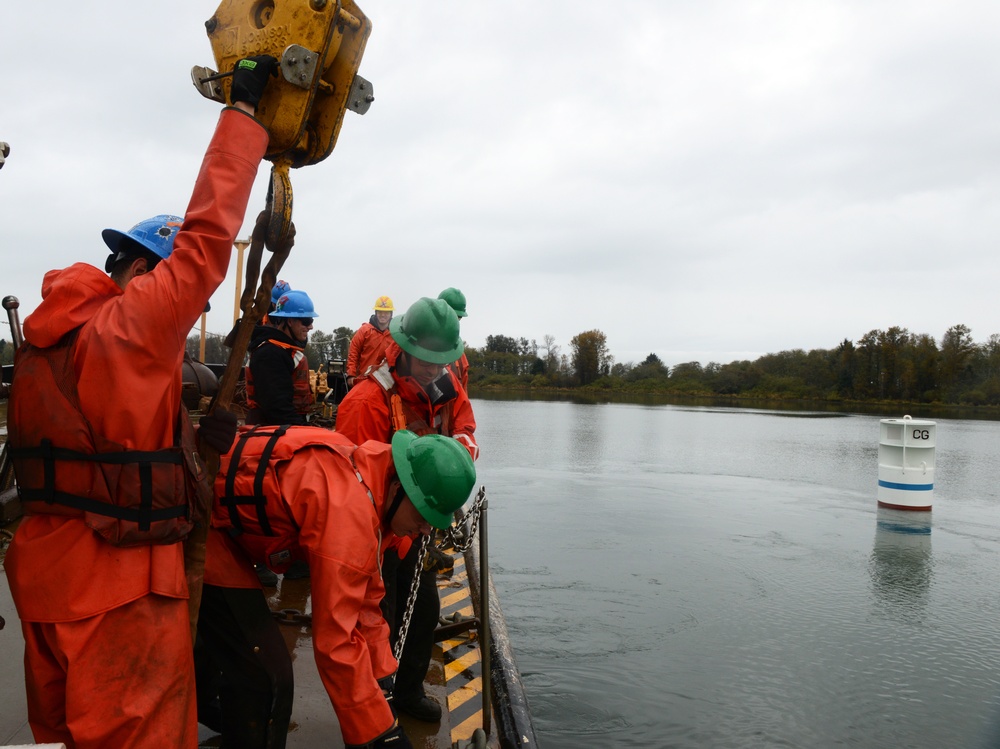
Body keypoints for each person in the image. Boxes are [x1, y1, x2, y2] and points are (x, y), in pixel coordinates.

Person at [3, 54, 279, 748]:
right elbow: (208, 236)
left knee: (65, 738)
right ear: (147, 274)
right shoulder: (133, 325)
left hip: (46, 584)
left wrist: (192, 446)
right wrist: (244, 116)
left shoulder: (47, 341)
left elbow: (103, 447)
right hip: (117, 595)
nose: (191, 313)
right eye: (189, 301)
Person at [204, 426, 477, 748]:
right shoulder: (347, 514)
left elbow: (366, 601)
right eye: (423, 514)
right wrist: (380, 735)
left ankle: (220, 713)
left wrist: (380, 679)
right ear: (398, 487)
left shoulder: (372, 484)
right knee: (266, 673)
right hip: (206, 530)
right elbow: (337, 639)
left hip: (228, 531)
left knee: (230, 656)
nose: (426, 528)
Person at [336, 296, 478, 722]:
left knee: (423, 612)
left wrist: (455, 458)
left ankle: (408, 693)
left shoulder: (447, 390)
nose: (435, 370)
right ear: (405, 350)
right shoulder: (367, 401)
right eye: (426, 361)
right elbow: (353, 482)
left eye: (442, 361)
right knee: (379, 616)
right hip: (377, 531)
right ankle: (373, 705)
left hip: (413, 526)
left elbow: (466, 431)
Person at [245, 288, 318, 426]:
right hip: (271, 429)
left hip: (283, 427)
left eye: (311, 320)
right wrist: (306, 431)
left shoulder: (282, 350)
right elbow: (277, 409)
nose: (311, 326)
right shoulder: (270, 354)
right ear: (289, 321)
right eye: (306, 321)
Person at [347, 295, 395, 386]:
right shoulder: (364, 330)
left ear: (391, 314)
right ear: (376, 312)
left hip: (387, 382)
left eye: (386, 312)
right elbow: (353, 352)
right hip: (364, 379)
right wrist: (351, 374)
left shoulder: (395, 334)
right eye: (380, 312)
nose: (383, 315)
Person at [438, 287, 470, 390]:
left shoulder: (459, 354)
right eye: (451, 316)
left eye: (458, 318)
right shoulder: (416, 344)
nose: (454, 322)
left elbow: (463, 395)